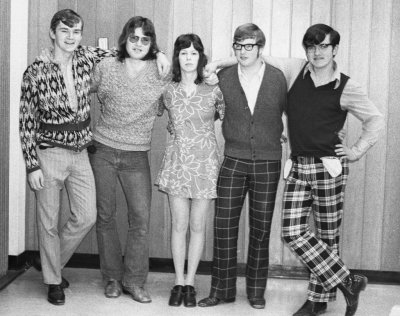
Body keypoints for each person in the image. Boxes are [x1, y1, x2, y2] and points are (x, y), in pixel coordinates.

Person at [205, 23, 384, 316]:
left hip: (330, 167)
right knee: (292, 231)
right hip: (299, 165)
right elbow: (259, 56)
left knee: (327, 237)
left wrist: (354, 151)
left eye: (323, 46)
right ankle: (348, 280)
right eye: (312, 47)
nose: (317, 52)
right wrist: (219, 62)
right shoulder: (296, 70)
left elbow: (374, 120)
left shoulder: (347, 86)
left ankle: (317, 302)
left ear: (334, 49)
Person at [19, 9, 170, 306]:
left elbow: (129, 50)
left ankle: (51, 263)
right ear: (53, 33)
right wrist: (31, 163)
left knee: (87, 216)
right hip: (50, 151)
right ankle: (54, 280)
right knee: (49, 221)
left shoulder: (89, 57)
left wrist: (162, 53)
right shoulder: (35, 71)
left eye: (76, 31)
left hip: (82, 153)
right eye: (64, 31)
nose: (71, 37)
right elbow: (26, 120)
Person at [197, 23, 287, 310]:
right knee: (223, 227)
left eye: (249, 45)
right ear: (233, 47)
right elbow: (202, 95)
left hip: (268, 162)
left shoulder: (278, 77)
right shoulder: (222, 78)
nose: (243, 51)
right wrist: (216, 66)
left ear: (260, 47)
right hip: (233, 160)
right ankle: (222, 290)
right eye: (238, 45)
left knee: (260, 229)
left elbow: (293, 113)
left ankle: (256, 291)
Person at [88, 16, 170, 304]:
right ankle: (111, 278)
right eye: (133, 38)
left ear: (151, 43)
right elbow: (79, 90)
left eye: (145, 39)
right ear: (125, 39)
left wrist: (163, 56)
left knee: (141, 219)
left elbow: (188, 85)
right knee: (105, 216)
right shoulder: (107, 67)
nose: (138, 44)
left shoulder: (161, 73)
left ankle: (133, 280)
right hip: (103, 151)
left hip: (137, 156)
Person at [155, 33, 225, 308]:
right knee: (179, 225)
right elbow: (159, 114)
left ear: (201, 57)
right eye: (183, 52)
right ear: (177, 57)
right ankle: (178, 282)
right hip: (177, 162)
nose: (188, 58)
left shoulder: (213, 90)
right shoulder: (167, 90)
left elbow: (228, 115)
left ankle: (192, 283)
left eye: (194, 53)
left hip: (205, 163)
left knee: (197, 226)